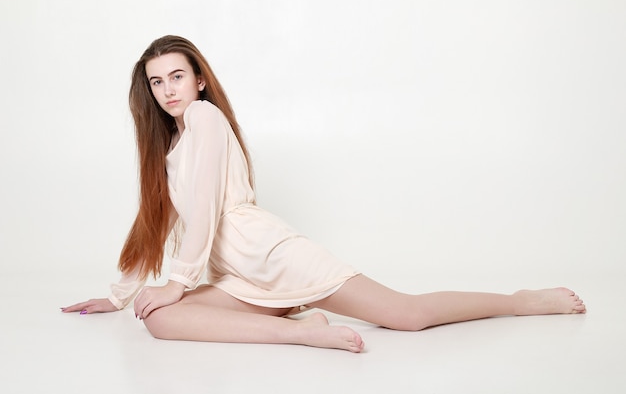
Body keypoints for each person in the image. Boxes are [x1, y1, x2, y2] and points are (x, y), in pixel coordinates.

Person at [62, 35, 586, 353]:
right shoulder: (170, 142)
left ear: (200, 81)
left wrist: (177, 281)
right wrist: (119, 294)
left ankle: (520, 301)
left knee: (405, 314)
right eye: (156, 82)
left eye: (177, 76)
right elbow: (152, 220)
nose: (168, 89)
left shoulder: (205, 117)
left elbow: (202, 211)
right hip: (236, 275)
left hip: (270, 255)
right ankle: (303, 332)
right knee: (160, 322)